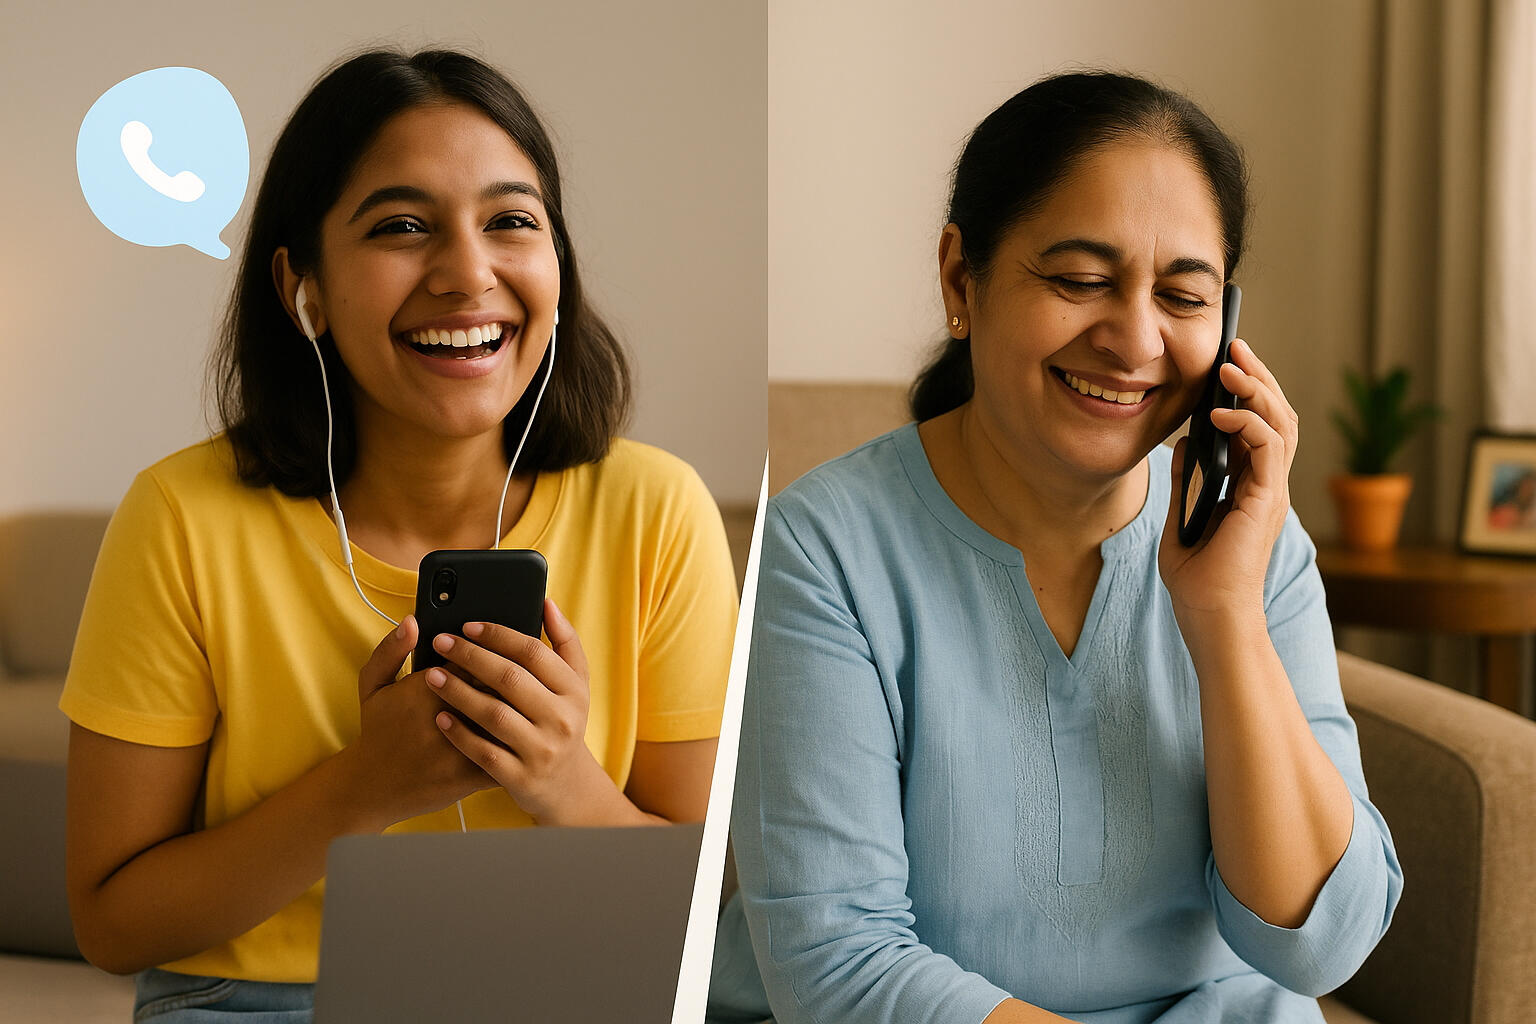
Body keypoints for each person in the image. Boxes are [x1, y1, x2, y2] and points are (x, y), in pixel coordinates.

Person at [711, 71, 1401, 1024]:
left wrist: (1224, 615)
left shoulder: (1255, 543)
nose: (1134, 339)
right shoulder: (824, 550)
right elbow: (839, 966)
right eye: (1080, 281)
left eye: (1184, 296)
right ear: (962, 278)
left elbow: (1324, 941)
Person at [61, 49, 738, 1019]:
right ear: (307, 286)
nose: (469, 275)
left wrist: (561, 776)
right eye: (402, 227)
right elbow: (112, 924)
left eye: (511, 220)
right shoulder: (181, 518)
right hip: (261, 1001)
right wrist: (359, 790)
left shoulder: (658, 509)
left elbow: (696, 901)